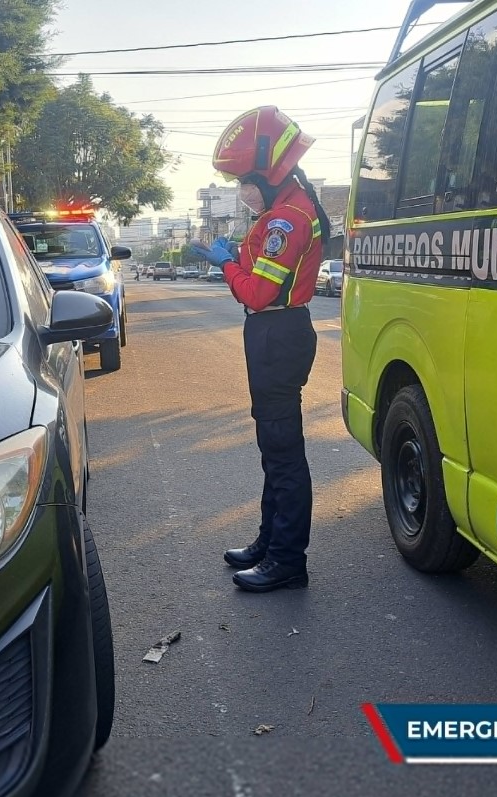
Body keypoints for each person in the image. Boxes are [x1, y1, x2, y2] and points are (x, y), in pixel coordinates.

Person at [189, 105, 332, 593]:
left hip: (278, 333)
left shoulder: (286, 221)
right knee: (274, 449)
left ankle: (288, 560)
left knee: (284, 453)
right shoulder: (281, 211)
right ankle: (270, 542)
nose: (241, 192)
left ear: (268, 178)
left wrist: (226, 264)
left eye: (245, 182)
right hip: (274, 334)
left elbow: (256, 293)